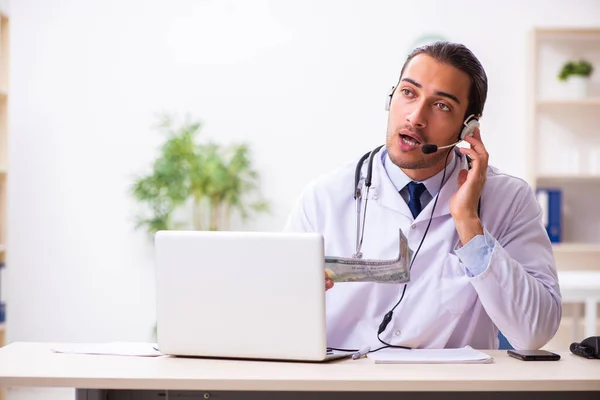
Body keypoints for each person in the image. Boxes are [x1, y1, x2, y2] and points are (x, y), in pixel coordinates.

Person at [283, 41, 561, 351]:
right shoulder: (324, 198)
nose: (416, 117)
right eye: (408, 93)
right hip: (348, 385)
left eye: (442, 105)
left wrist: (469, 224)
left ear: (467, 128)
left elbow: (535, 332)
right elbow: (278, 312)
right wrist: (292, 297)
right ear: (391, 98)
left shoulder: (509, 199)